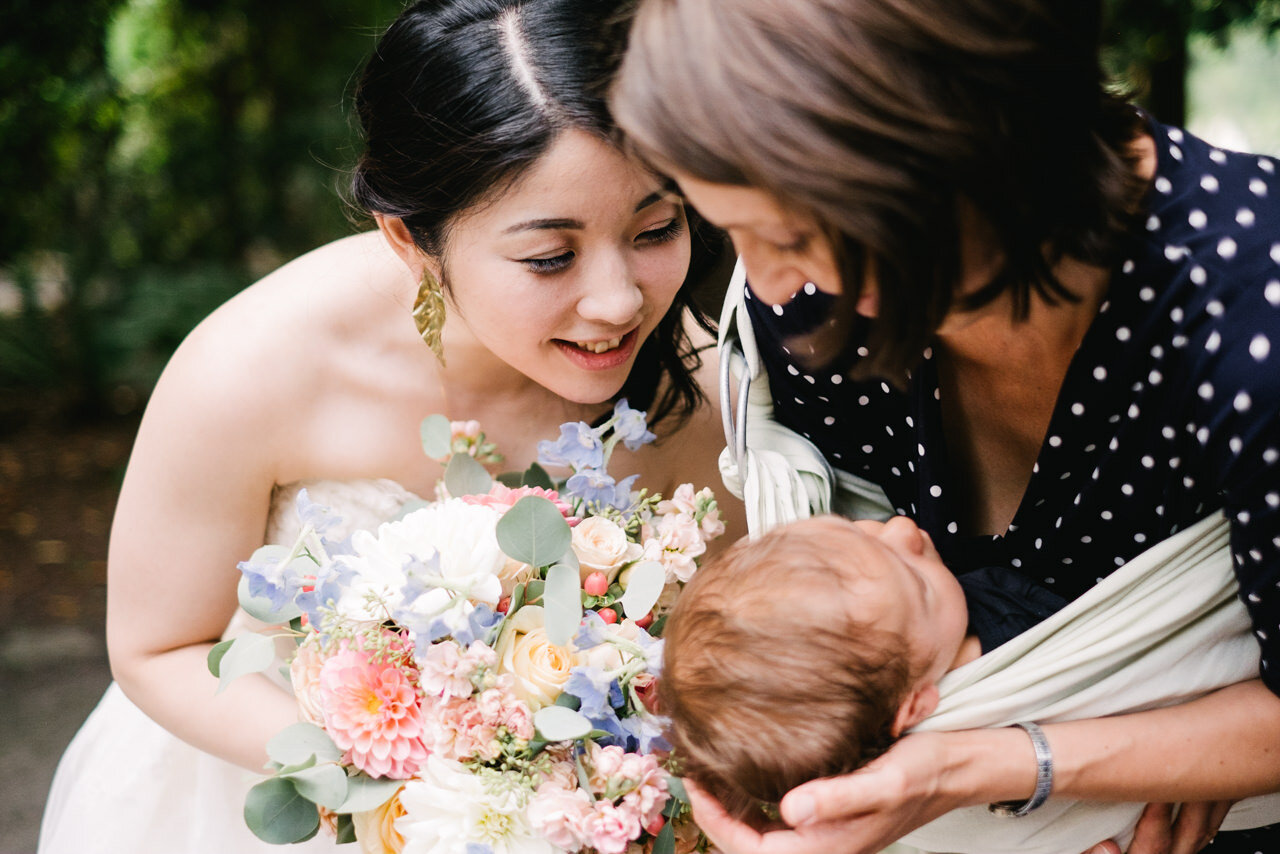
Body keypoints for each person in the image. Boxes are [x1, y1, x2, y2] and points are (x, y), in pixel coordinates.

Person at [37, 1, 740, 851]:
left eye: (657, 228)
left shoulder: (702, 382)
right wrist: (424, 787)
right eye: (550, 256)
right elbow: (156, 650)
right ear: (410, 237)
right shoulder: (250, 370)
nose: (620, 300)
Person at [609, 1, 1280, 853]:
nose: (769, 286)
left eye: (795, 235)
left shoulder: (1253, 328)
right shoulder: (814, 312)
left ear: (964, 166)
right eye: (733, 229)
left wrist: (988, 773)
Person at [662, 513, 1280, 853]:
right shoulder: (1020, 642)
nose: (905, 528)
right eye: (917, 583)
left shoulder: (855, 735)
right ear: (916, 705)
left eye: (859, 526)